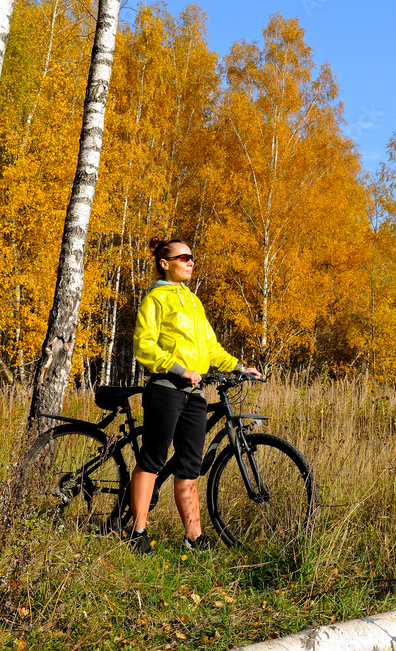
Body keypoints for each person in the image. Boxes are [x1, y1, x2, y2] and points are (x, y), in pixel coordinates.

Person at [128, 236, 261, 555]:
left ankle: (194, 536)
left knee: (189, 464)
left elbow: (211, 347)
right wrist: (177, 369)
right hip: (167, 388)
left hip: (195, 393)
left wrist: (239, 367)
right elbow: (143, 346)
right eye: (183, 257)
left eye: (192, 258)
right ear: (165, 263)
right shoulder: (156, 298)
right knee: (153, 459)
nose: (190, 262)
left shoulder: (193, 300)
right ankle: (137, 532)